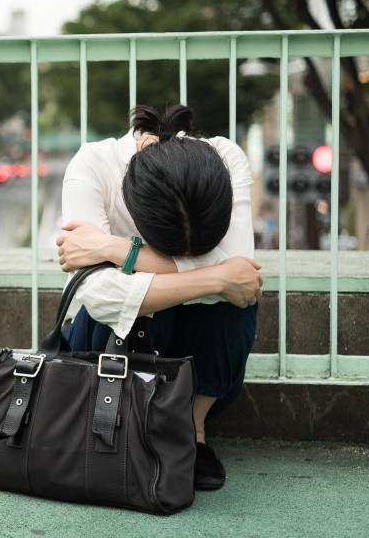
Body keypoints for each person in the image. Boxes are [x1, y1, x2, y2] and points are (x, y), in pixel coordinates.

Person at [56, 103, 262, 492]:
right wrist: (215, 274)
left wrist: (118, 251)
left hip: (199, 358)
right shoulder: (94, 165)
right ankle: (113, 423)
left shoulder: (226, 158)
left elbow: (241, 269)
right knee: (207, 289)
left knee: (237, 295)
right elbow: (99, 295)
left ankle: (193, 429)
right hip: (104, 349)